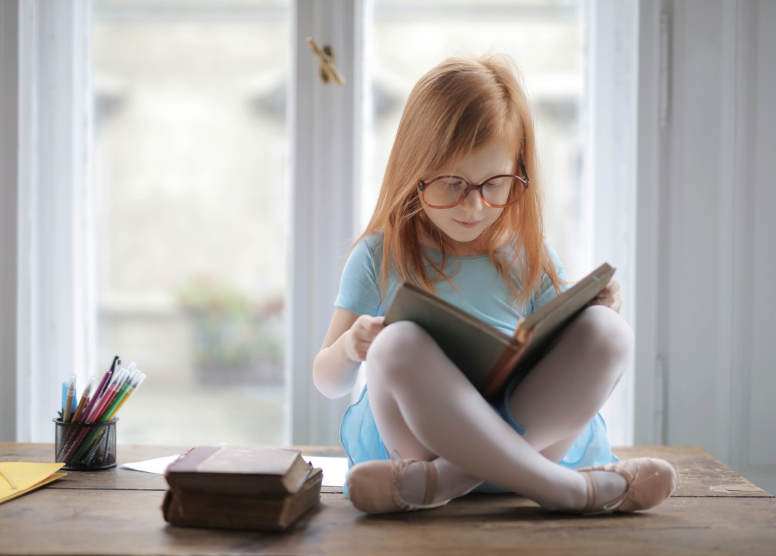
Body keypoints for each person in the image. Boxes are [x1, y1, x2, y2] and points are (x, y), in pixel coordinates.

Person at [313, 55, 676, 515]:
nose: (475, 206)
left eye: (496, 184)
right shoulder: (380, 255)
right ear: (413, 172)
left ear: (518, 174)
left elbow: (568, 347)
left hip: (516, 443)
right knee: (394, 344)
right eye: (451, 184)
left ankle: (448, 481)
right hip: (419, 443)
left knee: (609, 331)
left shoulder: (528, 251)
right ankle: (567, 491)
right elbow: (326, 381)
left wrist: (597, 308)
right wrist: (350, 348)